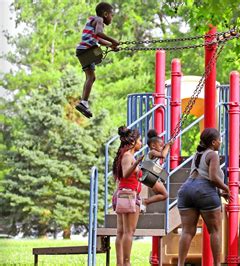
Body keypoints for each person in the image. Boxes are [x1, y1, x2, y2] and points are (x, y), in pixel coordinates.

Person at [177, 128, 231, 266]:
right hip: (204, 190)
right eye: (219, 139)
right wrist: (226, 188)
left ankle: (180, 263)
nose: (221, 142)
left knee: (187, 231)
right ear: (213, 142)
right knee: (215, 230)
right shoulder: (212, 154)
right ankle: (217, 264)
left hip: (186, 190)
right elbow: (212, 177)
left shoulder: (198, 154)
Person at [75, 2, 119, 118]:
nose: (112, 18)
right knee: (97, 57)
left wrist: (111, 45)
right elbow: (99, 33)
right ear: (105, 14)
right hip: (87, 51)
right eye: (111, 15)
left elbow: (98, 39)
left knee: (91, 77)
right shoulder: (99, 20)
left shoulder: (94, 21)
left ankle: (83, 103)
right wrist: (113, 41)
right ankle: (83, 102)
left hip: (82, 51)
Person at [112, 126, 144, 266]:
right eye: (140, 140)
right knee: (128, 232)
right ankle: (126, 262)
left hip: (125, 194)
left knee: (121, 232)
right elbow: (125, 174)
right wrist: (136, 164)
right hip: (129, 196)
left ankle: (121, 263)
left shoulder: (125, 155)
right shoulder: (128, 156)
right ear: (133, 142)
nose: (141, 143)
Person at [140, 129, 171, 207]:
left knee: (163, 194)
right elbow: (163, 155)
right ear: (153, 146)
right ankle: (145, 201)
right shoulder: (152, 152)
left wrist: (166, 147)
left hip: (150, 176)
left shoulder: (154, 153)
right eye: (161, 146)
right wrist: (167, 146)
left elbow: (163, 154)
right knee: (165, 194)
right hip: (149, 176)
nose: (162, 147)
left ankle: (144, 202)